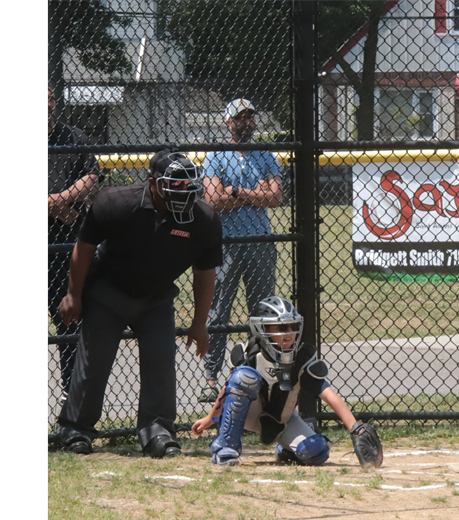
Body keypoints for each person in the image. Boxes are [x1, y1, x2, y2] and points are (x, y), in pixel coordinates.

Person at [57, 151, 223, 458]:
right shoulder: (116, 203)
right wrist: (74, 295)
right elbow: (83, 247)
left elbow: (204, 273)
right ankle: (75, 430)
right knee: (94, 363)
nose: (183, 192)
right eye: (174, 185)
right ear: (152, 183)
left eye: (188, 185)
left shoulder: (204, 219)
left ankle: (157, 430)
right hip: (108, 293)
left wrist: (200, 322)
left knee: (161, 361)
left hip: (157, 300)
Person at [192, 296, 382, 468]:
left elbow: (327, 393)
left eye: (292, 326)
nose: (289, 333)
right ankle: (225, 447)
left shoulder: (302, 356)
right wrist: (211, 418)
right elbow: (228, 388)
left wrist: (355, 427)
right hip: (249, 412)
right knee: (243, 377)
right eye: (281, 328)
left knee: (317, 451)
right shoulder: (249, 353)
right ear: (262, 328)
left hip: (283, 419)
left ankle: (286, 450)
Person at [198, 98, 284, 403]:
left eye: (250, 116)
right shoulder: (216, 156)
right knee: (219, 311)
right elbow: (213, 201)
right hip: (226, 244)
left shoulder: (266, 155)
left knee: (261, 312)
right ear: (228, 122)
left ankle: (257, 373)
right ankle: (211, 376)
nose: (246, 122)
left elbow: (275, 198)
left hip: (260, 242)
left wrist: (236, 191)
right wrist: (255, 194)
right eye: (240, 118)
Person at [47, 83, 101, 397]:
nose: (46, 106)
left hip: (66, 248)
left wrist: (61, 199)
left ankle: (72, 393)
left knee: (68, 319)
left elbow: (92, 176)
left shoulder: (72, 136)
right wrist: (57, 207)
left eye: (49, 100)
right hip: (62, 221)